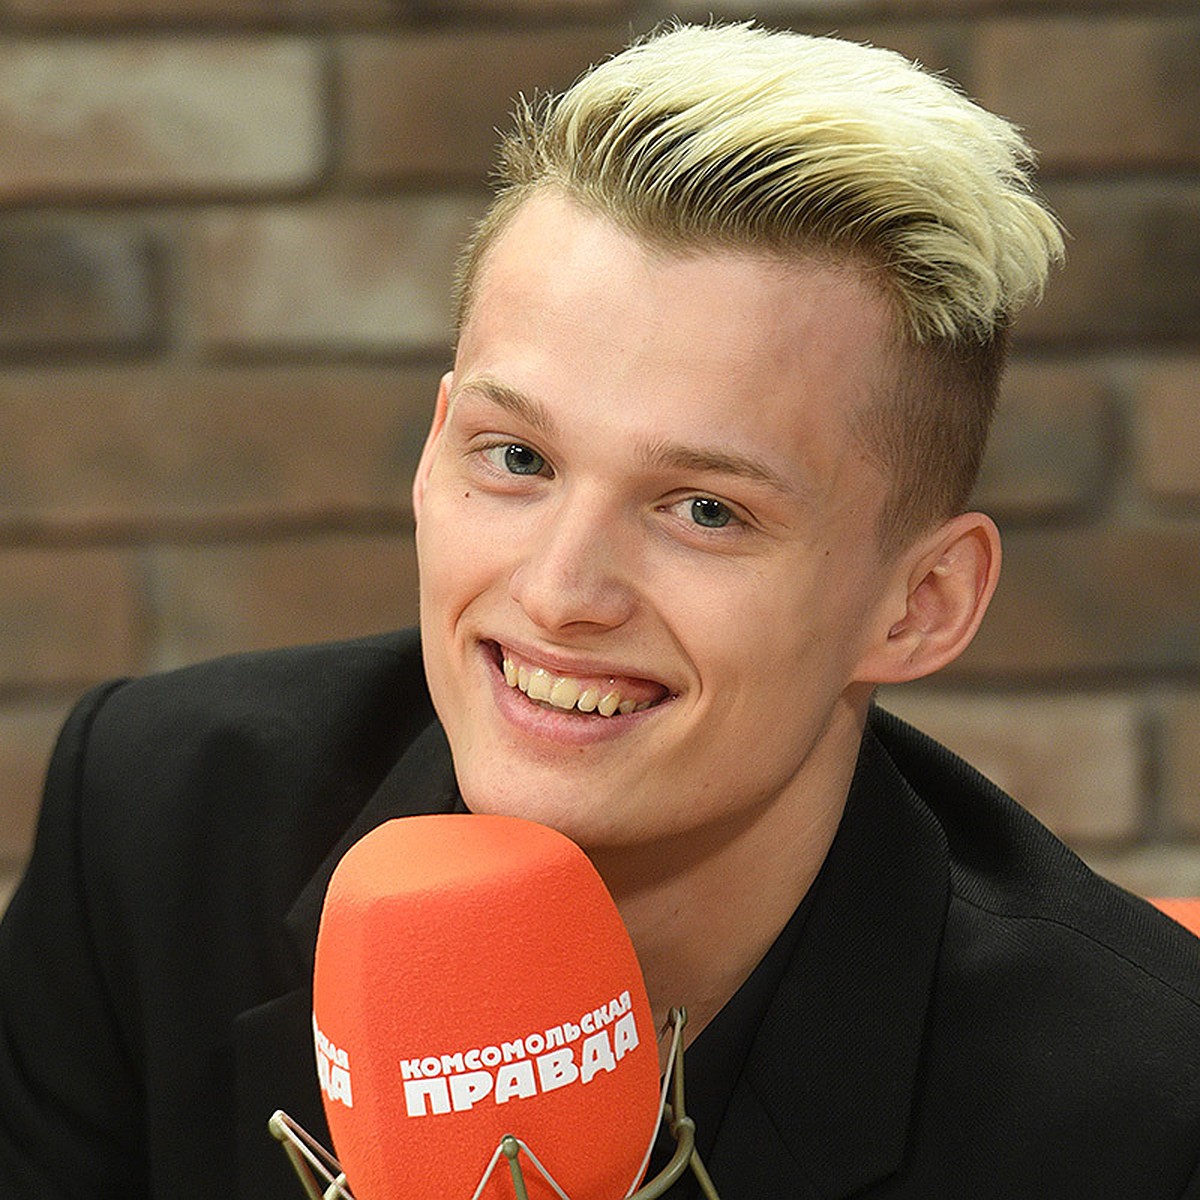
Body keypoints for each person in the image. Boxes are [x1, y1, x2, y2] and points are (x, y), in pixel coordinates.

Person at [2, 20, 1198, 1200]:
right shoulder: (157, 830)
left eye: (706, 511)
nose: (559, 593)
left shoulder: (1142, 1110)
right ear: (432, 452)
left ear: (919, 605)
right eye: (517, 458)